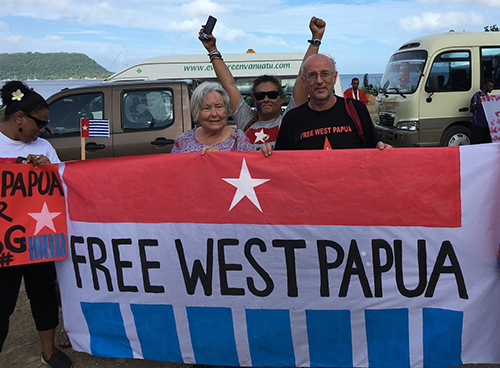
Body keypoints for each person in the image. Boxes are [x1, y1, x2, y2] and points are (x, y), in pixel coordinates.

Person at [0, 81, 72, 368]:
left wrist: (48, 170)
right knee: (2, 302)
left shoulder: (44, 146)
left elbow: (62, 187)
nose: (43, 130)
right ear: (19, 118)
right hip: (5, 241)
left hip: (39, 238)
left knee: (42, 293)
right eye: (40, 123)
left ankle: (48, 350)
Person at [198, 16, 326, 151]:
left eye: (272, 94)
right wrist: (212, 49)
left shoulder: (289, 117)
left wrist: (316, 40)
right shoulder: (246, 120)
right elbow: (229, 85)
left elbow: (302, 76)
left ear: (281, 98)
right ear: (254, 99)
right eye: (260, 95)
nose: (266, 99)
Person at [275, 54, 392, 150]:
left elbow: (376, 149)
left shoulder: (356, 110)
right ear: (304, 82)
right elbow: (280, 164)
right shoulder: (292, 119)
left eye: (325, 74)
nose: (319, 81)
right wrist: (265, 155)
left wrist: (385, 150)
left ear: (334, 77)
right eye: (312, 75)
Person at [172, 82, 265, 155]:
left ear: (226, 109)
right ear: (197, 112)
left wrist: (220, 158)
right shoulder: (184, 140)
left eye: (219, 106)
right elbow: (174, 171)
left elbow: (247, 170)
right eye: (207, 108)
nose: (214, 113)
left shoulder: (238, 138)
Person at [470, 78, 495, 144]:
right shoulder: (477, 95)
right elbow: (472, 109)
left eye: (492, 87)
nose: (491, 88)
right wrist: (478, 103)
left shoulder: (488, 97)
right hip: (478, 125)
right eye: (490, 86)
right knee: (477, 143)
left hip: (486, 125)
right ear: (484, 86)